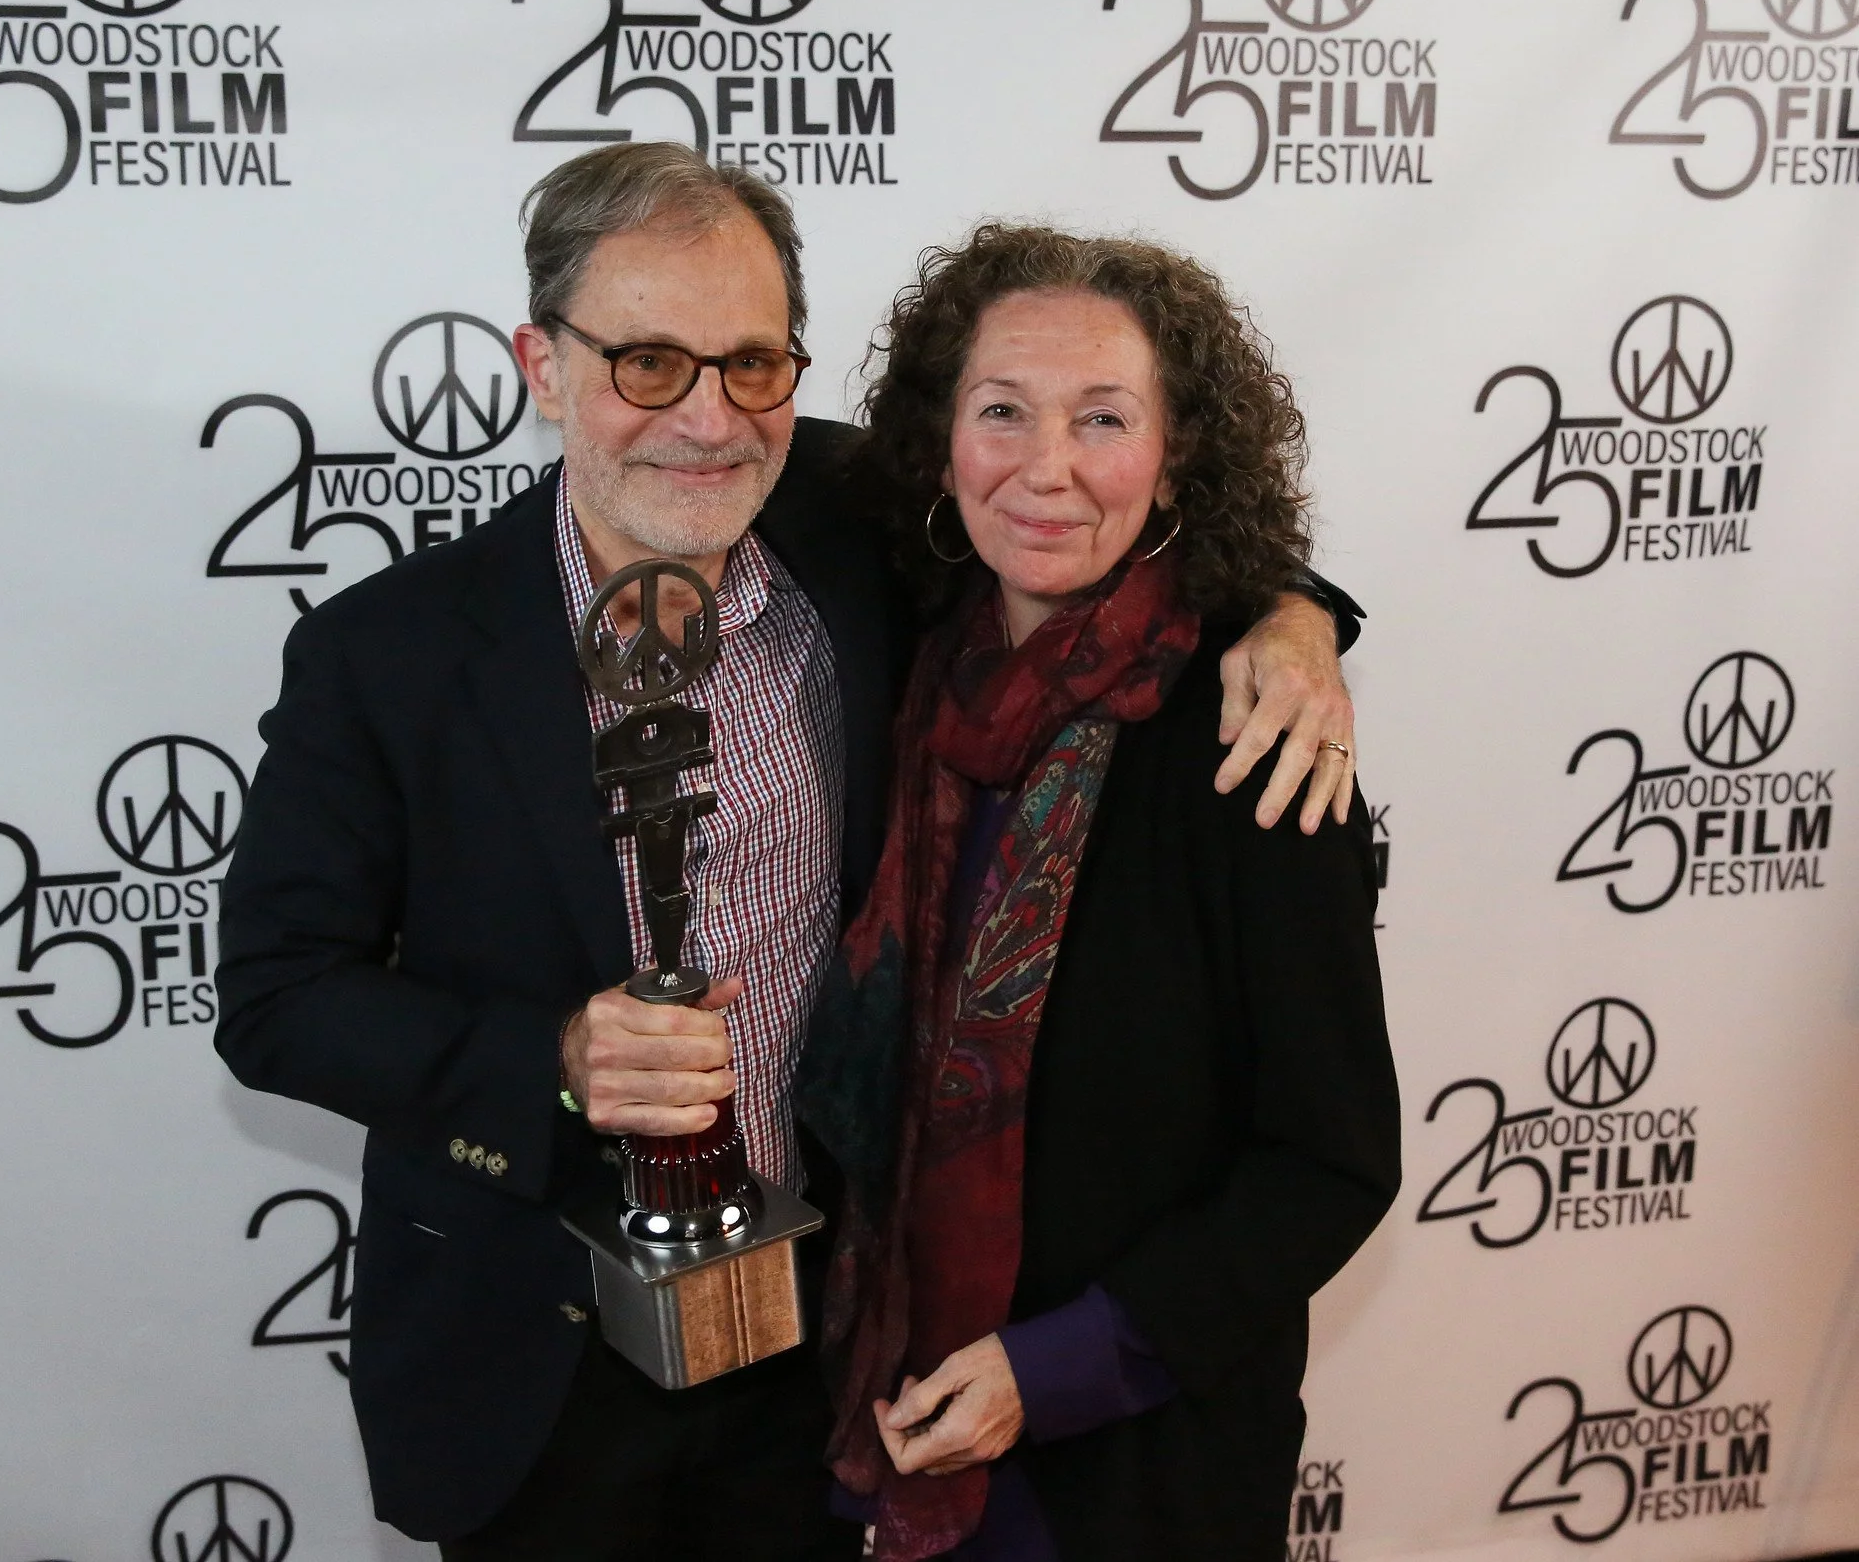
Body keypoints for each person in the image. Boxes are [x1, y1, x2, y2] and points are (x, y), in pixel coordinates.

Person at [212, 144, 1362, 1561]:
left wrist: (1295, 617)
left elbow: (1100, 509)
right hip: (544, 1363)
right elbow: (274, 994)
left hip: (822, 1352)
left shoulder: (849, 527)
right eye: (646, 362)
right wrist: (553, 1056)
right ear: (541, 363)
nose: (706, 419)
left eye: (753, 364)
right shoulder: (385, 655)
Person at [803, 224, 1401, 1561]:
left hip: (1127, 1471)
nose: (1046, 467)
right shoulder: (895, 648)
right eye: (1001, 410)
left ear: (1175, 450)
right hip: (878, 1417)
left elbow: (1328, 1159)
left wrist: (1058, 1365)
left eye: (1103, 418)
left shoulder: (1253, 739)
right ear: (935, 433)